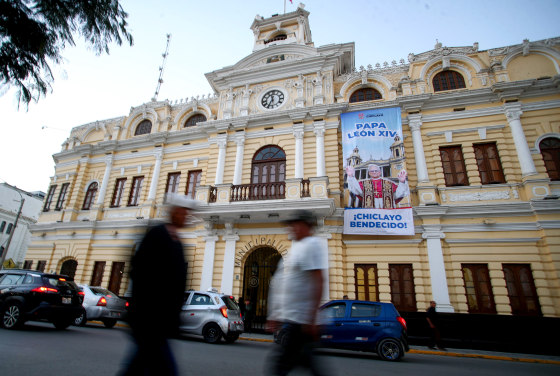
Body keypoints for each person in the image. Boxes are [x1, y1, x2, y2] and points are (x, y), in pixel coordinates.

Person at [120, 193, 198, 375]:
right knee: (165, 369)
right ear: (174, 212)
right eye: (183, 212)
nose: (187, 216)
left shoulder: (177, 242)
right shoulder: (157, 235)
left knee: (139, 367)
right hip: (150, 318)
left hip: (160, 322)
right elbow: (139, 273)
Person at [266, 210, 329, 376]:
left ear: (305, 226)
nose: (291, 228)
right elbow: (284, 284)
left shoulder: (311, 244)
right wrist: (277, 314)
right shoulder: (295, 249)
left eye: (294, 224)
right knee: (306, 364)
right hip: (294, 319)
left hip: (301, 321)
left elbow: (319, 279)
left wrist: (312, 317)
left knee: (280, 366)